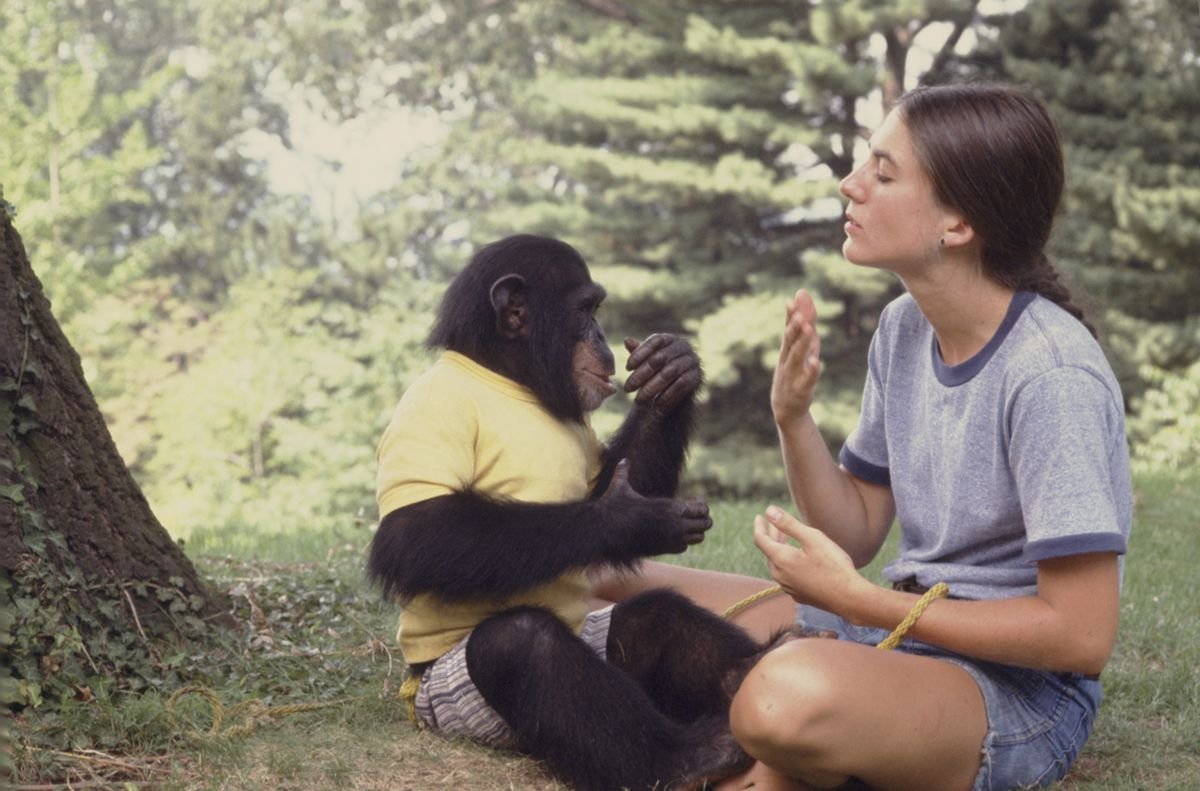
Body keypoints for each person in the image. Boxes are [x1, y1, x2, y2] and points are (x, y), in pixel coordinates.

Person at [721, 83, 1133, 791]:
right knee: (647, 598)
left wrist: (861, 604)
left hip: (1018, 692)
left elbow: (1081, 636)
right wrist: (791, 417)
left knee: (777, 696)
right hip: (900, 635)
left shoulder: (1050, 373)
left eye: (883, 174)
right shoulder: (904, 328)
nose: (851, 185)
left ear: (956, 224)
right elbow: (854, 532)